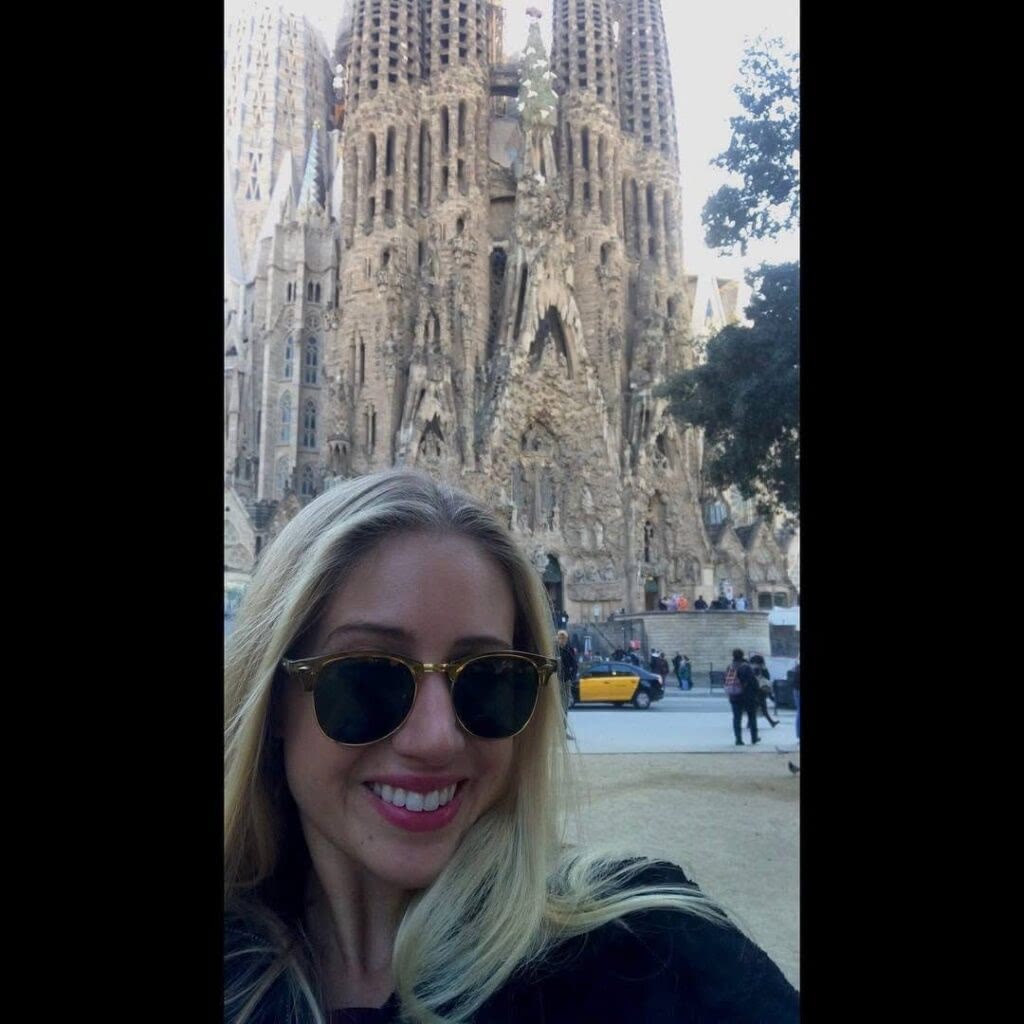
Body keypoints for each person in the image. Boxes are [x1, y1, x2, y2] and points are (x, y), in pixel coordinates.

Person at [224, 469, 799, 1022]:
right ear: (272, 699)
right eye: (369, 675)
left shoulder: (648, 954)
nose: (436, 738)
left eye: (490, 677)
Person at [726, 648, 760, 746]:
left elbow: (725, 679)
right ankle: (754, 738)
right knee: (752, 717)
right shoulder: (746, 667)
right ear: (742, 655)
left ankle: (738, 739)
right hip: (747, 696)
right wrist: (756, 692)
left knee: (737, 718)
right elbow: (753, 681)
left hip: (734, 695)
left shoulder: (730, 666)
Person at [750, 654, 780, 728]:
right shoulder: (762, 669)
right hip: (761, 690)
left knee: (755, 708)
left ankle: (771, 722)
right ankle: (771, 722)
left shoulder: (751, 668)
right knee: (763, 708)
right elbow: (767, 678)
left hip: (753, 691)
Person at [556, 628, 577, 711]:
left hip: (566, 679)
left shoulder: (569, 650)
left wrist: (571, 677)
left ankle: (563, 721)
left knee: (564, 703)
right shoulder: (554, 649)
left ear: (566, 639)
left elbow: (575, 665)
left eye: (563, 638)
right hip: (555, 679)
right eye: (560, 638)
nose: (561, 640)